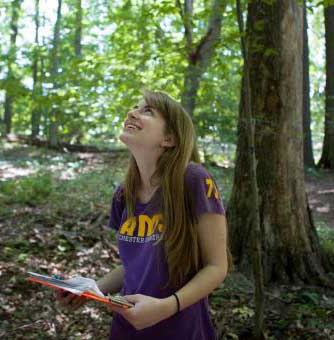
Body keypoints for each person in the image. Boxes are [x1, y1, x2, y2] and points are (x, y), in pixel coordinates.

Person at [56, 90, 231, 339]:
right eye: (135, 107)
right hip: (126, 328)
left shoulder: (194, 179)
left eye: (147, 111)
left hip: (181, 329)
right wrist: (91, 289)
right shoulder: (123, 194)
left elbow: (216, 266)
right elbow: (135, 266)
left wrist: (167, 306)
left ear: (169, 138)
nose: (132, 112)